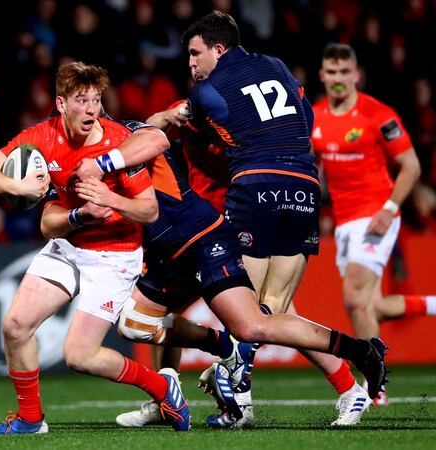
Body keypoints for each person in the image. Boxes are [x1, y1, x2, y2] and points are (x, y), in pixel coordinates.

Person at [75, 11, 389, 428]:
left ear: (217, 50)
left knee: (263, 313)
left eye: (194, 54)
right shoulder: (262, 74)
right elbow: (301, 118)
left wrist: (106, 163)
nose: (189, 62)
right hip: (252, 199)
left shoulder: (201, 100)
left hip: (228, 210)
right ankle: (171, 392)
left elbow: (154, 132)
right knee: (235, 312)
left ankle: (274, 394)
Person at [0, 61, 190, 435]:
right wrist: (20, 188)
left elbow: (149, 211)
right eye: (81, 100)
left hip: (115, 254)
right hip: (69, 247)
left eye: (96, 100)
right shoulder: (43, 135)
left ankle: (163, 387)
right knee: (16, 326)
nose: (90, 109)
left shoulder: (119, 142)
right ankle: (29, 420)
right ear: (60, 104)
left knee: (79, 357)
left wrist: (109, 199)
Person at [312, 43, 436, 404]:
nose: (337, 79)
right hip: (345, 221)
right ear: (322, 75)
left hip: (377, 212)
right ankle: (431, 304)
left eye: (343, 72)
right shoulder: (316, 117)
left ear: (356, 74)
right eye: (330, 72)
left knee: (353, 297)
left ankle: (374, 387)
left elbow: (411, 165)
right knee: (370, 305)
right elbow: (313, 170)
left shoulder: (377, 114)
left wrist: (389, 208)